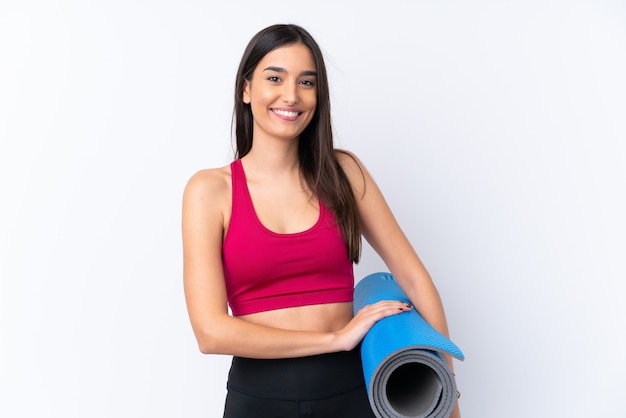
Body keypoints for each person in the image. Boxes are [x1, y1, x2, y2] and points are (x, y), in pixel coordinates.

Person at [182, 23, 461, 418]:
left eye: (307, 82)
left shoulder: (343, 173)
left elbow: (415, 280)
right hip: (258, 400)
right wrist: (335, 338)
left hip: (350, 394)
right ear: (246, 89)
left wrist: (447, 398)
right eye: (274, 77)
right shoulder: (209, 191)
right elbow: (210, 332)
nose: (291, 95)